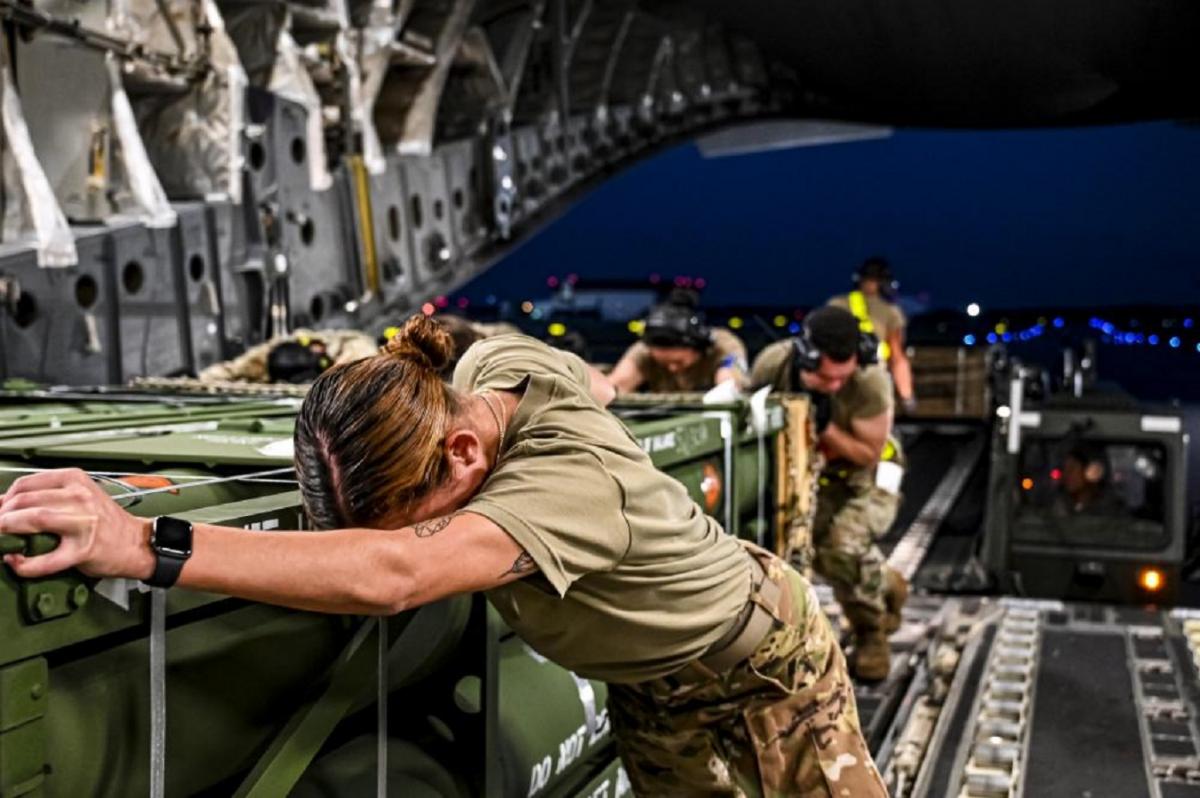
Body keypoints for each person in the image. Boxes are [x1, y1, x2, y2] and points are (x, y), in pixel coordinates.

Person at [0, 316, 887, 796]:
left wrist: (141, 540)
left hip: (759, 671)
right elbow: (491, 343)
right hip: (650, 689)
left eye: (404, 515)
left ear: (462, 457)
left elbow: (396, 575)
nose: (395, 536)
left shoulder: (566, 485)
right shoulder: (493, 372)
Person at [751, 306, 908, 682]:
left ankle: (872, 633)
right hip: (806, 474)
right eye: (826, 378)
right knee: (801, 551)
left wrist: (818, 425)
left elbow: (867, 453)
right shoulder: (775, 365)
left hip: (867, 478)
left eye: (843, 378)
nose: (836, 385)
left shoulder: (870, 381)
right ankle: (885, 582)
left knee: (841, 548)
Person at [609, 290, 748, 394]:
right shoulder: (644, 351)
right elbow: (618, 385)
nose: (672, 369)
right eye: (663, 363)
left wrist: (726, 383)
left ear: (698, 349)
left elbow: (731, 382)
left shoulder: (722, 345)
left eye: (678, 362)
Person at [828, 257, 915, 413]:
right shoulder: (890, 312)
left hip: (836, 382)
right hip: (872, 381)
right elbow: (897, 357)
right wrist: (907, 397)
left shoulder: (837, 304)